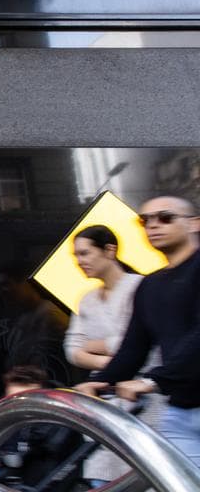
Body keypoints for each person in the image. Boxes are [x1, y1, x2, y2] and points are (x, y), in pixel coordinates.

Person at [76, 195, 200, 468]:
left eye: (165, 217)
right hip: (180, 410)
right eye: (145, 220)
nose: (153, 225)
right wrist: (103, 381)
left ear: (194, 224)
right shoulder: (150, 285)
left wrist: (153, 381)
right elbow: (134, 347)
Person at [63, 225, 164, 484]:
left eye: (85, 253)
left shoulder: (140, 286)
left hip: (146, 396)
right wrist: (110, 359)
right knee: (105, 475)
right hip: (105, 394)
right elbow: (73, 349)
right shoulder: (87, 299)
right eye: (76, 256)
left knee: (152, 474)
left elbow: (139, 343)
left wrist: (97, 347)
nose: (79, 262)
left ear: (109, 250)